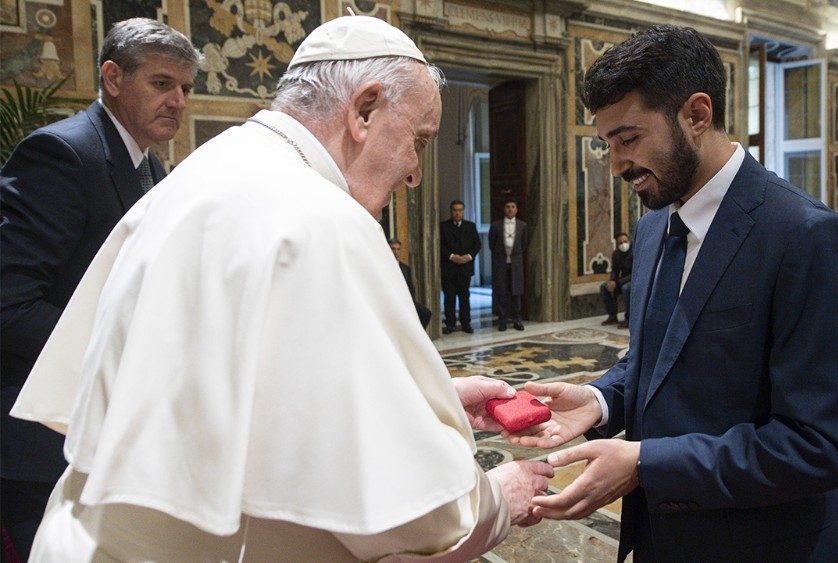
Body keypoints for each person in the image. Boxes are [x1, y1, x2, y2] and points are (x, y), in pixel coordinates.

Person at [10, 16, 553, 560]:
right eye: (418, 140)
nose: (415, 173)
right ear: (364, 110)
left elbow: (241, 389)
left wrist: (424, 402)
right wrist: (494, 499)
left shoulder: (209, 169)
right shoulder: (322, 219)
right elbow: (414, 517)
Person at [505, 24, 838, 561]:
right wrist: (602, 400)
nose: (617, 164)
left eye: (628, 139)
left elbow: (824, 446)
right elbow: (664, 359)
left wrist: (646, 463)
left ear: (696, 115)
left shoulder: (805, 235)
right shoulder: (656, 226)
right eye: (607, 144)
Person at [0, 18, 200, 559]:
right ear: (112, 77)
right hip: (42, 437)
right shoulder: (62, 154)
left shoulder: (151, 168)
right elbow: (10, 306)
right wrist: (127, 352)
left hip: (103, 433)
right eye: (162, 84)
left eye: (185, 88)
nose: (178, 101)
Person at [440, 200, 481, 334]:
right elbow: (440, 245)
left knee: (465, 297)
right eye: (455, 210)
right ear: (451, 211)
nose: (457, 213)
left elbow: (477, 244)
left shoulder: (470, 226)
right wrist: (452, 256)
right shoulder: (443, 226)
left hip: (465, 268)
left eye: (460, 210)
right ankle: (450, 323)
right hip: (449, 268)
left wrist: (468, 256)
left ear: (463, 211)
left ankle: (466, 323)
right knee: (449, 297)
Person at [488, 199, 527, 331]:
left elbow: (524, 244)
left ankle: (517, 319)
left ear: (516, 209)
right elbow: (491, 245)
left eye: (513, 207)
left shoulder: (522, 225)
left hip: (516, 264)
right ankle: (502, 320)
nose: (510, 209)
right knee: (501, 292)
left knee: (516, 293)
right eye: (508, 207)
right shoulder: (495, 225)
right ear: (504, 209)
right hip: (501, 264)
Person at [390, 238, 433, 329]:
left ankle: (419, 336)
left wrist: (410, 302)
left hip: (407, 301)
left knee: (426, 313)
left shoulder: (405, 268)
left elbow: (411, 287)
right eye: (393, 249)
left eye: (398, 249)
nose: (396, 252)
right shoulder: (383, 267)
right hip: (392, 302)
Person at [599, 232, 634, 329]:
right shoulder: (616, 254)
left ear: (629, 241)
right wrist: (611, 282)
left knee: (626, 288)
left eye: (625, 241)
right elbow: (615, 270)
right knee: (604, 287)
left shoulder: (635, 251)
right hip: (622, 280)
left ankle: (629, 319)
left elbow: (636, 273)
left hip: (635, 280)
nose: (623, 244)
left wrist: (617, 283)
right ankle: (612, 316)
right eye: (621, 243)